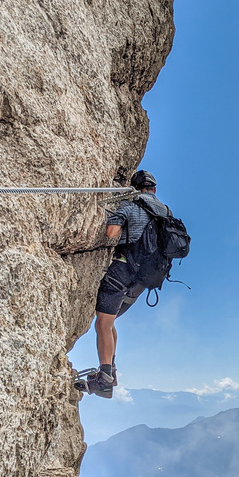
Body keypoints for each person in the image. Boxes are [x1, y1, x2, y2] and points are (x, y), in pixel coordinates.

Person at [78, 169, 163, 398]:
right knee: (111, 319)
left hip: (123, 270)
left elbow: (111, 231)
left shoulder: (130, 207)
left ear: (134, 189)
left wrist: (122, 219)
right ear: (154, 189)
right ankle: (111, 372)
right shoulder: (165, 212)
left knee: (103, 323)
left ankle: (105, 378)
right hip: (144, 280)